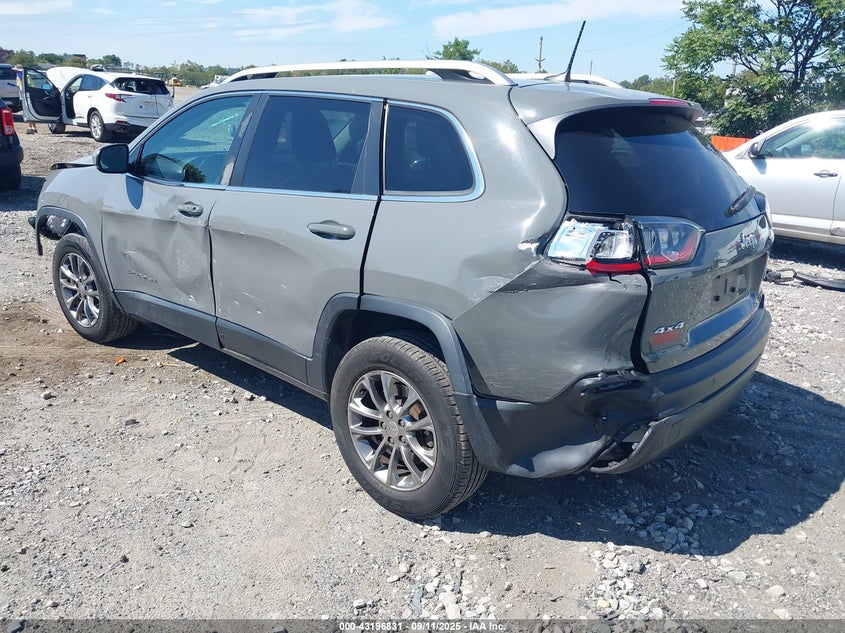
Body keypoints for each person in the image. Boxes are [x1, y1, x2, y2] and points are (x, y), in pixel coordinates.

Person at [14, 65, 37, 134]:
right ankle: (30, 127)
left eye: (17, 71)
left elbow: (31, 86)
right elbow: (19, 86)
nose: (16, 72)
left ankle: (34, 127)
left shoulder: (26, 77)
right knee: (26, 112)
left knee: (29, 111)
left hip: (28, 96)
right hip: (22, 96)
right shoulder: (18, 77)